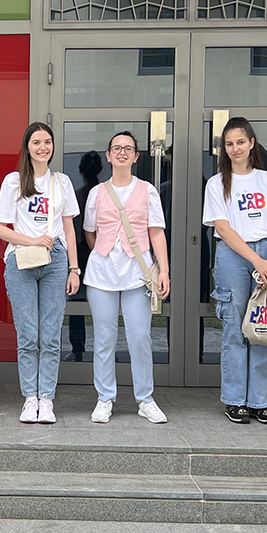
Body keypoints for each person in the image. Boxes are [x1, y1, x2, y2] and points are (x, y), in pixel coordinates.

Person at [202, 117, 267, 425]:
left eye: (240, 142)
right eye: (229, 144)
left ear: (252, 143)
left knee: (262, 329)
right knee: (235, 329)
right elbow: (223, 229)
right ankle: (235, 400)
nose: (235, 148)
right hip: (234, 256)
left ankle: (258, 401)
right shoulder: (216, 184)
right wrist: (257, 262)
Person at [0, 122, 81, 424]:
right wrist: (31, 240)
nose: (43, 148)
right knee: (28, 335)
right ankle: (30, 398)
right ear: (27, 147)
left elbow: (69, 228)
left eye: (47, 142)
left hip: (55, 260)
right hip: (22, 260)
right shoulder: (13, 181)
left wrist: (74, 268)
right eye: (36, 142)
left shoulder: (62, 181)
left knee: (51, 335)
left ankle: (47, 399)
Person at [82, 132, 170, 424]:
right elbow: (90, 232)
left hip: (138, 275)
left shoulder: (147, 190)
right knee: (104, 338)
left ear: (136, 156)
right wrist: (104, 251)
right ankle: (105, 397)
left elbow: (156, 232)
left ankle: (145, 399)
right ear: (108, 156)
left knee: (140, 337)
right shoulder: (97, 192)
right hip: (101, 276)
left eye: (128, 148)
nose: (122, 152)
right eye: (116, 148)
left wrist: (164, 270)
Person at [65, 151, 102, 363]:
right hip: (101, 252)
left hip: (79, 253)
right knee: (104, 305)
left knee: (76, 301)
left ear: (80, 171)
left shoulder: (78, 195)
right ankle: (105, 349)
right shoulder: (103, 193)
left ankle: (77, 348)